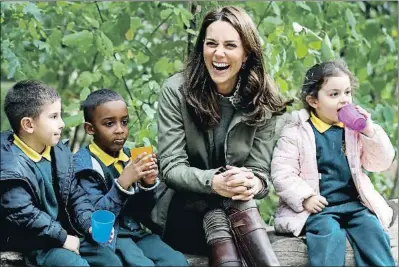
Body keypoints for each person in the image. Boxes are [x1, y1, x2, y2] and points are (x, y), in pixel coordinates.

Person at [155, 6, 289, 267]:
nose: (219, 53)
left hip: (236, 210)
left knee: (227, 212)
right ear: (201, 47)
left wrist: (253, 183)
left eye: (230, 45)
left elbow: (260, 172)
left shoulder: (263, 98)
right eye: (211, 43)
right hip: (183, 211)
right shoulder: (176, 91)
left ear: (247, 52)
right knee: (225, 211)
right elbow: (171, 168)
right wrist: (213, 182)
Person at [271, 59, 396, 266]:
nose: (344, 100)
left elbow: (381, 163)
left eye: (347, 92)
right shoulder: (296, 132)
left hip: (354, 205)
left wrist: (369, 131)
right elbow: (282, 173)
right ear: (313, 101)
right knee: (328, 237)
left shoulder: (354, 130)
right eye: (334, 94)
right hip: (320, 208)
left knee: (372, 231)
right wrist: (305, 198)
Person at [0, 80, 120, 266]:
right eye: (54, 117)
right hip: (35, 242)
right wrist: (64, 238)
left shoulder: (59, 153)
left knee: (110, 260)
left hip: (62, 232)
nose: (62, 123)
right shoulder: (10, 167)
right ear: (28, 125)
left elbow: (75, 196)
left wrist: (89, 224)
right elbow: (25, 215)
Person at [73, 89, 189, 266]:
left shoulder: (129, 157)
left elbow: (141, 213)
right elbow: (96, 219)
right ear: (90, 128)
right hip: (112, 237)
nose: (120, 130)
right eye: (109, 124)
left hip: (136, 232)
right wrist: (123, 183)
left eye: (124, 122)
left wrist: (147, 185)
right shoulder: (85, 165)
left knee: (177, 261)